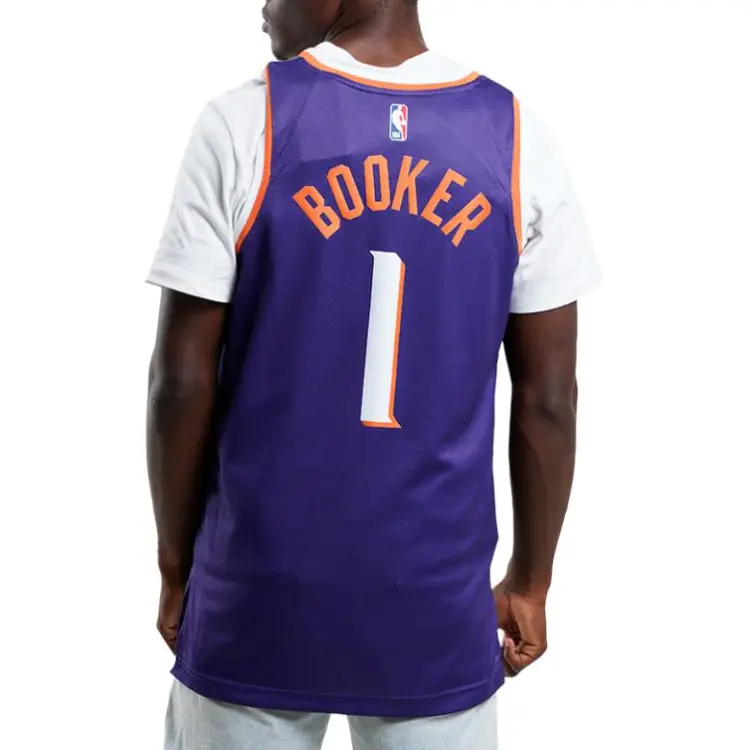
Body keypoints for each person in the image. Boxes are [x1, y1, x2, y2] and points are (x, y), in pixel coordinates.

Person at [146, 0, 601, 748]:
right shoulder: (517, 137)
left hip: (253, 597)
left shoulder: (243, 122)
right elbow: (550, 398)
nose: (262, 7)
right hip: (435, 609)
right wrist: (531, 579)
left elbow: (179, 380)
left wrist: (175, 564)